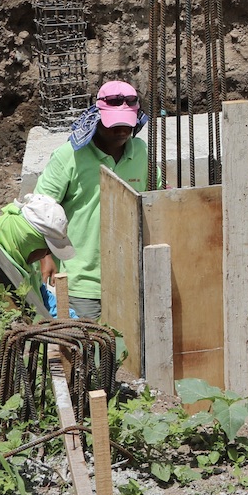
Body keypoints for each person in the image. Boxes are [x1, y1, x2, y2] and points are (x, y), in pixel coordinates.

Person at [33, 80, 155, 321]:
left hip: (129, 276)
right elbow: (39, 210)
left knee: (126, 350)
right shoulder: (69, 157)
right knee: (86, 350)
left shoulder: (140, 152)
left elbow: (155, 198)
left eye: (126, 125)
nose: (121, 131)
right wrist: (45, 258)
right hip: (81, 281)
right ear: (97, 118)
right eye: (114, 125)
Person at [0, 191, 77, 317]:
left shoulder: (26, 264)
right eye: (46, 248)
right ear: (27, 241)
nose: (46, 254)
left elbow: (42, 297)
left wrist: (69, 318)